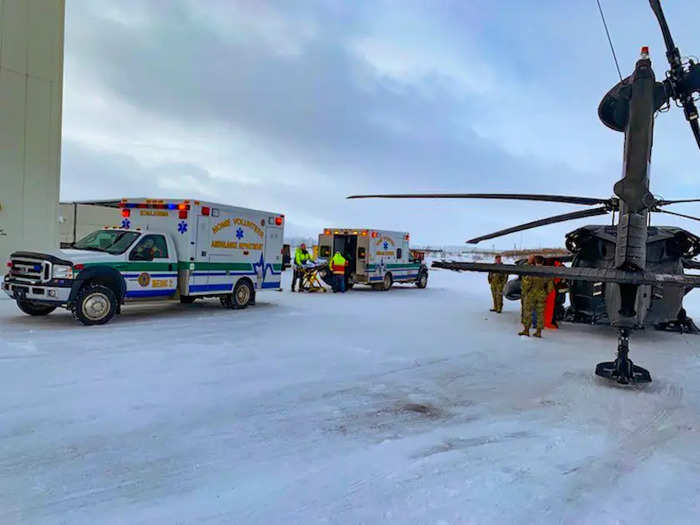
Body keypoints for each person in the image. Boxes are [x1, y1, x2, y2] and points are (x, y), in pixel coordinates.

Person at [519, 255, 554, 338]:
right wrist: (545, 292)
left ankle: (526, 330)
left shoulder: (532, 271)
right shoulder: (546, 272)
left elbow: (526, 284)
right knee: (540, 314)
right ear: (542, 262)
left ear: (535, 261)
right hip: (541, 295)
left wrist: (525, 292)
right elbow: (550, 287)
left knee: (527, 312)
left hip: (530, 294)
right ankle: (538, 332)